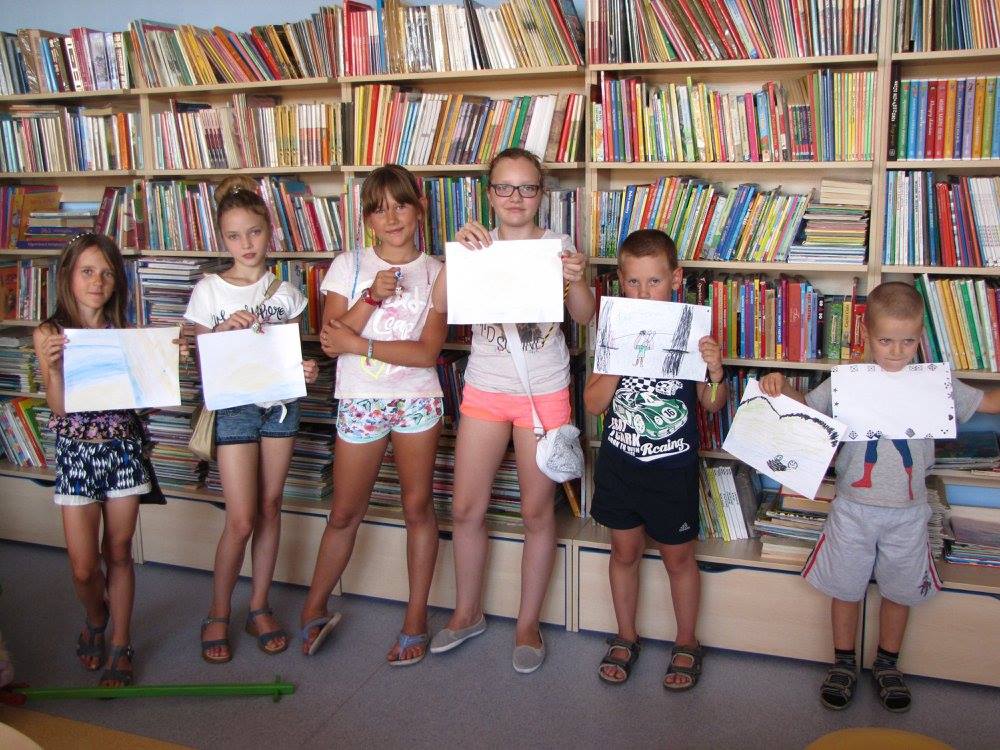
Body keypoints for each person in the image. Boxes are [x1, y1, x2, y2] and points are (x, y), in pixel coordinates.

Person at [760, 281, 1000, 712]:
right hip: (853, 509)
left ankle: (888, 664)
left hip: (909, 513)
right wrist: (779, 387)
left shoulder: (935, 383)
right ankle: (843, 663)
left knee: (900, 591)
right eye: (886, 340)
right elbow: (808, 407)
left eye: (907, 341)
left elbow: (986, 403)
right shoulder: (848, 381)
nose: (896, 351)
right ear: (867, 335)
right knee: (845, 588)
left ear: (920, 337)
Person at [429, 147, 594, 674]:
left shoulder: (558, 246)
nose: (515, 197)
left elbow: (585, 316)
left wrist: (578, 278)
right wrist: (456, 255)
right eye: (505, 187)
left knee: (537, 513)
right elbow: (439, 305)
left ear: (541, 194)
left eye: (527, 187)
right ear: (490, 193)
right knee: (465, 509)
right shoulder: (478, 244)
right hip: (485, 388)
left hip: (543, 391)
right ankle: (467, 612)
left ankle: (527, 623)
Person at [299, 164, 447, 665]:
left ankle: (415, 618)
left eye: (401, 205)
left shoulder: (437, 272)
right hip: (360, 400)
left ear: (419, 209)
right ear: (367, 219)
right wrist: (371, 297)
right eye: (380, 209)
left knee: (417, 508)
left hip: (417, 401)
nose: (393, 217)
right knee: (344, 512)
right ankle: (314, 607)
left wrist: (359, 343)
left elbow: (426, 353)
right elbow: (330, 338)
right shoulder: (350, 264)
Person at [33, 233, 182, 687]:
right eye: (87, 271)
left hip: (122, 451)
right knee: (83, 568)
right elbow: (60, 409)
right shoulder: (50, 333)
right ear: (68, 276)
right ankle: (96, 617)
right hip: (76, 456)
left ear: (117, 282)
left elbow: (145, 399)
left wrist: (164, 365)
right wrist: (53, 368)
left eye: (106, 273)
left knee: (118, 551)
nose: (97, 281)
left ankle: (120, 640)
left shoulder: (124, 334)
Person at [583, 229, 727, 690]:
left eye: (655, 281)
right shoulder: (614, 330)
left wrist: (715, 371)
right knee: (623, 552)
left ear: (676, 279)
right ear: (619, 282)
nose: (644, 292)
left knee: (678, 559)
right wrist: (619, 359)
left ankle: (687, 641)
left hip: (672, 468)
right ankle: (626, 635)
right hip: (620, 466)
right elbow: (593, 404)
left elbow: (712, 405)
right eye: (633, 282)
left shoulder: (692, 331)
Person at [184, 176, 318, 664]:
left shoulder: (288, 291)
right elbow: (198, 358)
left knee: (270, 505)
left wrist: (305, 369)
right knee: (240, 519)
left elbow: (290, 354)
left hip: (280, 404)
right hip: (234, 407)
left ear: (269, 233)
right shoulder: (209, 290)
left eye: (255, 232)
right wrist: (222, 329)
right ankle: (218, 611)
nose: (247, 244)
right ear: (223, 240)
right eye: (235, 236)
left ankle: (258, 605)